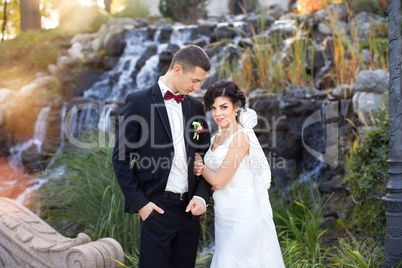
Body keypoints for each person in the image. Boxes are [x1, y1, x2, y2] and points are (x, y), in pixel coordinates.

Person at [112, 45, 212, 268]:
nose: (197, 88)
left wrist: (202, 196)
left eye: (200, 83)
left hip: (190, 212)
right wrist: (141, 204)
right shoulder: (138, 102)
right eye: (194, 81)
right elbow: (120, 158)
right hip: (156, 209)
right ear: (177, 69)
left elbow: (206, 154)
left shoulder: (196, 107)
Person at [193, 80, 285, 267]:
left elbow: (219, 181)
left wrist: (199, 165)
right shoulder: (215, 138)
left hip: (243, 216)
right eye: (213, 108)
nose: (217, 113)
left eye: (224, 107)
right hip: (224, 215)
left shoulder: (241, 137)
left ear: (236, 107)